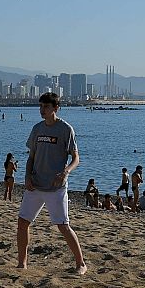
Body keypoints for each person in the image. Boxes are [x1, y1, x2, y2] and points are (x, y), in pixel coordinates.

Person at [16, 92, 87, 275]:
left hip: (56, 187)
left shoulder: (65, 129)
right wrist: (27, 176)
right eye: (40, 106)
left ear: (56, 108)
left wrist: (65, 172)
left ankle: (80, 264)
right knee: (23, 223)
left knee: (63, 225)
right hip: (35, 184)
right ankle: (22, 263)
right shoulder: (37, 129)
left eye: (46, 107)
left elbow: (76, 158)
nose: (42, 110)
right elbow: (31, 156)